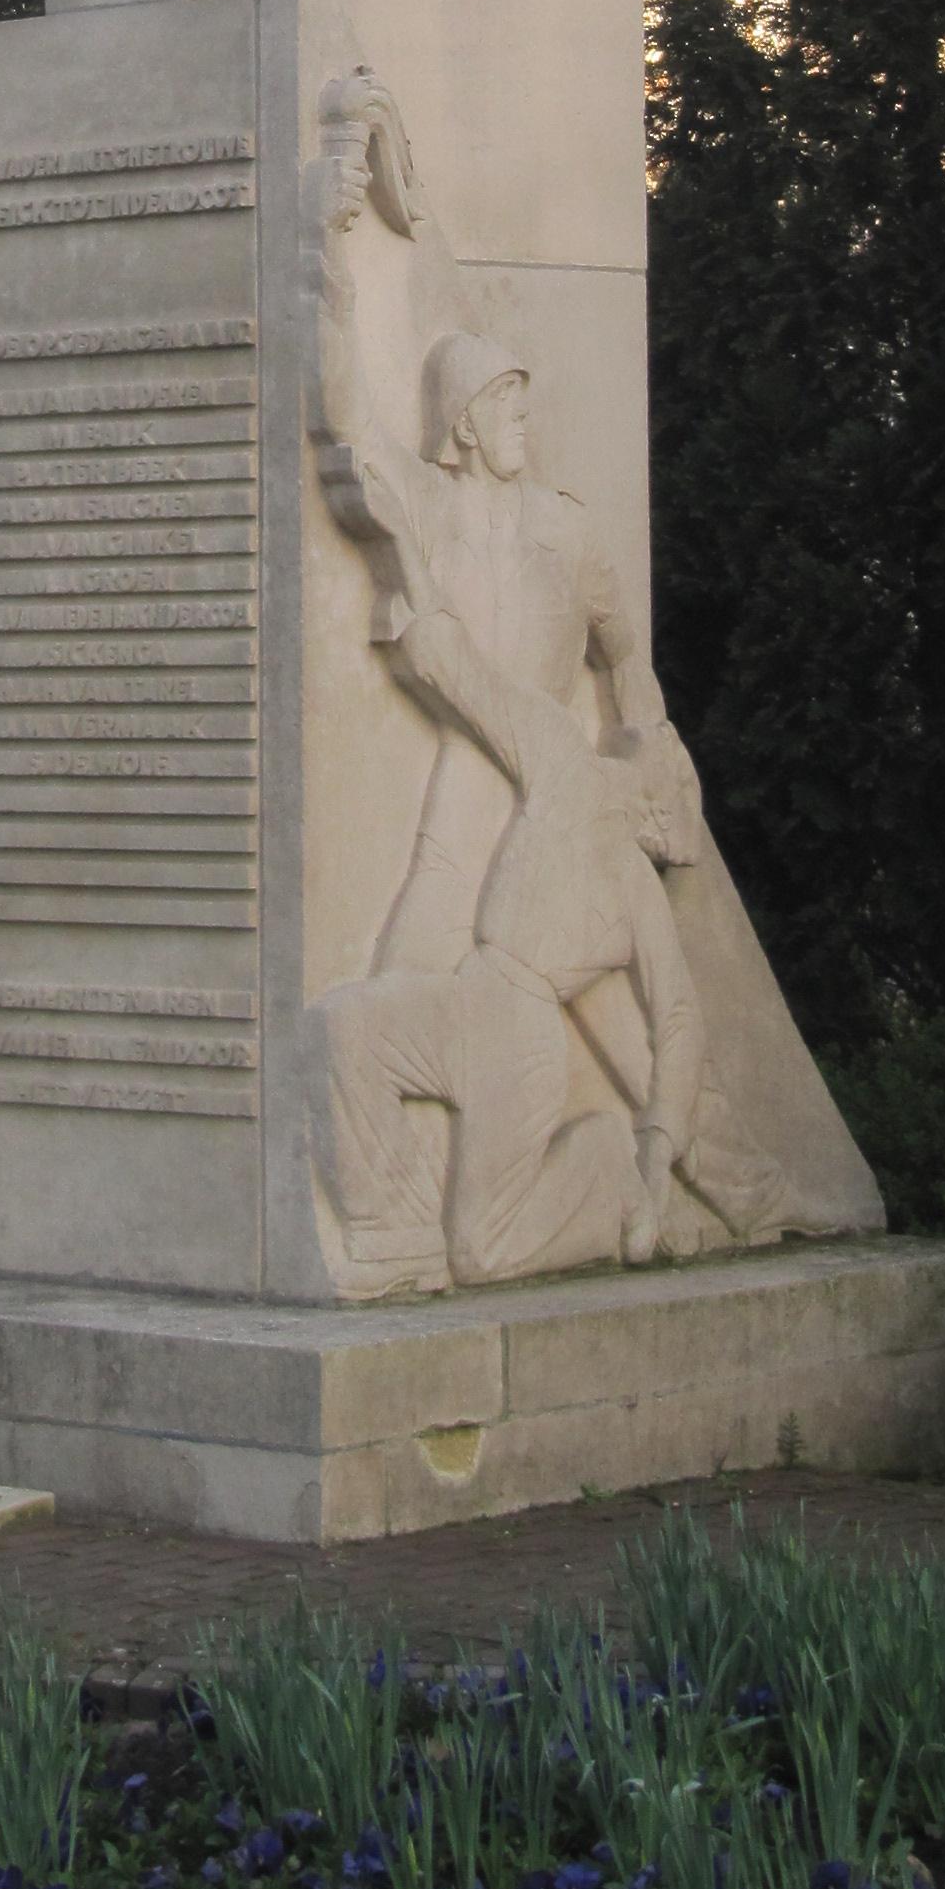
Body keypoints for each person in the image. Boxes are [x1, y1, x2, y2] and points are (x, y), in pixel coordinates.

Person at [306, 332, 712, 1294]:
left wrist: (646, 733)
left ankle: (610, 1172)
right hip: (484, 768)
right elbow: (356, 437)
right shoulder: (441, 505)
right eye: (509, 403)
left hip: (523, 984)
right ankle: (388, 1225)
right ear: (468, 424)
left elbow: (623, 650)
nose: (527, 419)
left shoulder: (568, 535)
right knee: (374, 999)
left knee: (491, 1217)